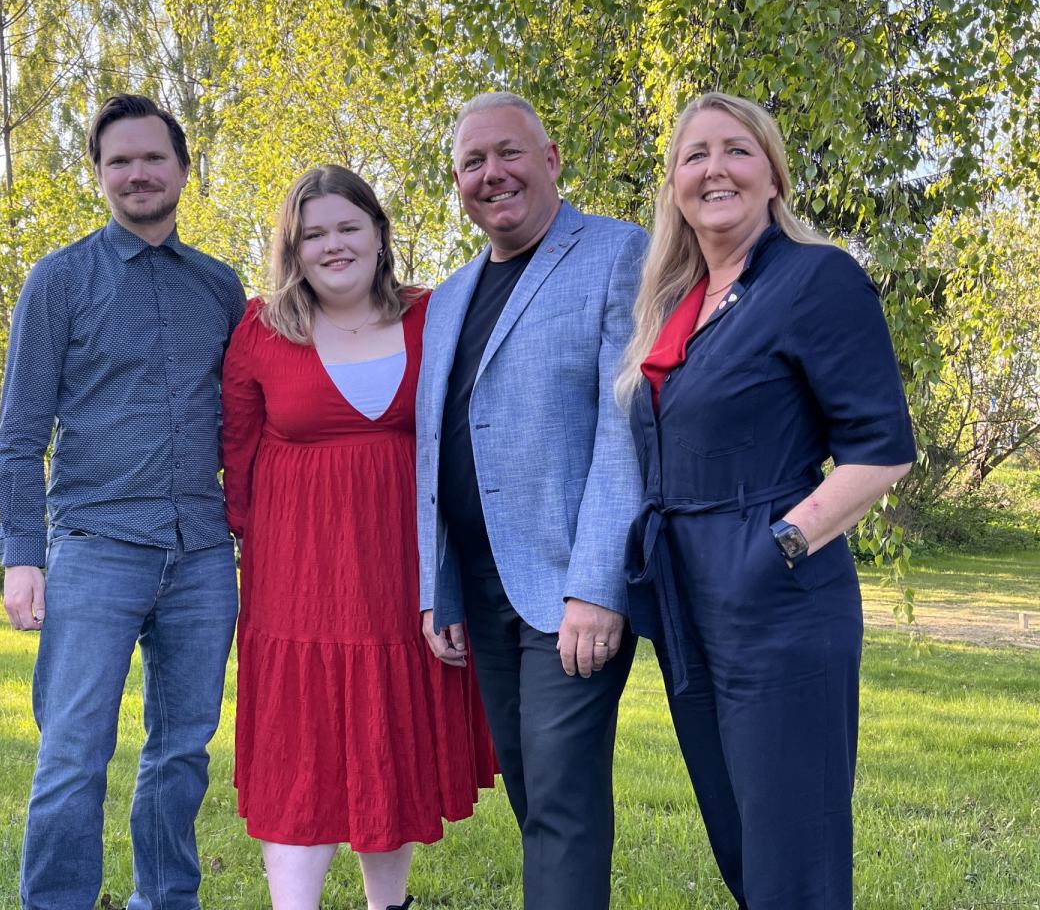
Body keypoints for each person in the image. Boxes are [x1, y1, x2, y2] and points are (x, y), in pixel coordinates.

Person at [618, 92, 916, 909]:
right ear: (674, 183)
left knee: (794, 855)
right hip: (687, 600)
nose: (715, 168)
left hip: (777, 599)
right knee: (742, 842)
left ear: (774, 173)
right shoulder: (680, 302)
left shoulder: (815, 279)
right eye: (694, 154)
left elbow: (882, 450)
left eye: (737, 150)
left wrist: (781, 543)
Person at [0, 93, 245, 910]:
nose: (137, 174)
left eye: (152, 158)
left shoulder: (219, 287)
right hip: (95, 550)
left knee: (182, 753)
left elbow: (245, 420)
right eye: (119, 162)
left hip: (202, 557)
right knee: (74, 752)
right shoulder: (58, 282)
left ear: (182, 168)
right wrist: (22, 559)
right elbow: (19, 436)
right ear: (98, 175)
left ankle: (165, 899)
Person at [220, 165, 495, 910]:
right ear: (293, 249)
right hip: (297, 581)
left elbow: (467, 448)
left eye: (348, 227)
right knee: (300, 745)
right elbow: (237, 460)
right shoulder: (259, 329)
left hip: (400, 573)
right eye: (314, 234)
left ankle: (389, 905)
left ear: (379, 232)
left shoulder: (433, 317)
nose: (333, 245)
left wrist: (454, 577)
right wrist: (261, 559)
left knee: (386, 738)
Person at [416, 92, 649, 910]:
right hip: (481, 591)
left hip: (568, 590)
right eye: (472, 163)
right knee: (532, 795)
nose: (492, 174)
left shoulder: (620, 254)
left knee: (561, 801)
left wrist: (598, 587)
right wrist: (438, 587)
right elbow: (439, 444)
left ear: (550, 160)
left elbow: (626, 430)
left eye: (508, 153)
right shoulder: (448, 298)